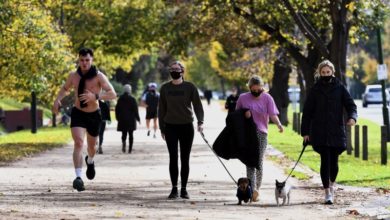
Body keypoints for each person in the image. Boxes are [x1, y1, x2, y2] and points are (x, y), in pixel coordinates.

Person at [52, 48, 116, 192]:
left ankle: (90, 160)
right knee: (79, 142)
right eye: (82, 60)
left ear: (91, 60)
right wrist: (57, 99)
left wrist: (96, 97)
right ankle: (78, 177)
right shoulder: (73, 76)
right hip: (78, 113)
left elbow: (112, 94)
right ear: (78, 60)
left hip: (94, 114)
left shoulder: (99, 76)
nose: (84, 63)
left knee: (92, 147)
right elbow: (65, 89)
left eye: (87, 60)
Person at [301, 60, 357, 205]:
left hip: (336, 130)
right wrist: (305, 132)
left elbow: (351, 105)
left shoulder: (340, 88)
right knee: (324, 161)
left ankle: (332, 185)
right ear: (319, 73)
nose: (326, 74)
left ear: (332, 72)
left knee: (334, 162)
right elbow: (307, 112)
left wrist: (352, 117)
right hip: (319, 131)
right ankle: (327, 192)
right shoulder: (315, 90)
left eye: (328, 72)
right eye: (323, 72)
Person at [158, 61, 204, 199]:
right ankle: (174, 189)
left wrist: (200, 121)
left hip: (186, 126)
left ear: (182, 71)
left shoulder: (190, 87)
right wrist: (162, 128)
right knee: (173, 158)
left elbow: (197, 106)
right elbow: (161, 109)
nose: (174, 71)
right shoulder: (165, 88)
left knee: (185, 158)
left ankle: (184, 189)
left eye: (176, 69)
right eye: (171, 69)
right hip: (170, 127)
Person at [235, 75, 284, 202]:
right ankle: (250, 190)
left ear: (262, 87)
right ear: (250, 87)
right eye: (254, 90)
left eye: (259, 89)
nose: (256, 92)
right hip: (247, 133)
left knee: (259, 162)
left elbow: (272, 114)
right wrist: (244, 114)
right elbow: (236, 115)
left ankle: (257, 189)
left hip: (261, 133)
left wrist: (279, 125)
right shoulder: (243, 98)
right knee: (249, 162)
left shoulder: (267, 98)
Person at [115, 84, 140, 154]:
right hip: (131, 120)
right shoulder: (132, 99)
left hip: (122, 119)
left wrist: (117, 117)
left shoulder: (120, 99)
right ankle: (130, 149)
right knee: (131, 134)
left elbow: (117, 109)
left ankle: (123, 144)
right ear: (130, 90)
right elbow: (135, 110)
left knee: (124, 133)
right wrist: (138, 118)